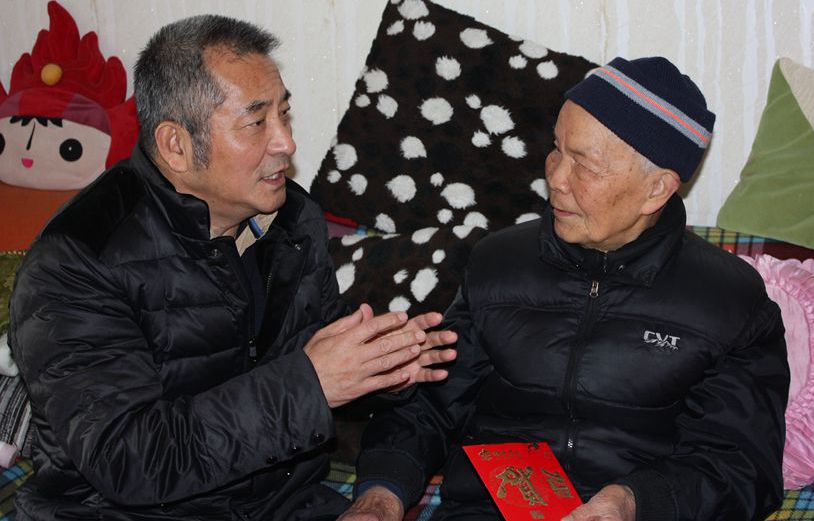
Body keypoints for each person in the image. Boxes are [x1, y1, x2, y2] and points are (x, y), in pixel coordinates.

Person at [8, 13, 457, 521]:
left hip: (282, 503)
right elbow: (129, 459)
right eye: (256, 122)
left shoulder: (293, 220)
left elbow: (315, 385)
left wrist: (377, 373)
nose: (286, 142)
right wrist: (309, 384)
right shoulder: (75, 262)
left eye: (285, 114)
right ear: (176, 145)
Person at [342, 57, 789, 521]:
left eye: (584, 165)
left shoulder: (730, 302)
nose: (554, 178)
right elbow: (428, 409)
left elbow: (741, 467)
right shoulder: (497, 264)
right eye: (556, 149)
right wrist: (379, 498)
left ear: (657, 189)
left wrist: (632, 501)